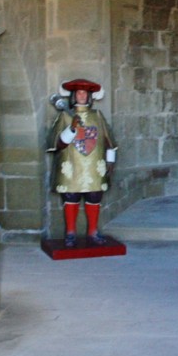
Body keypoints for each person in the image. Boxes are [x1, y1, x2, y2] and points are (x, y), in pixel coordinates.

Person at [49, 78, 117, 245]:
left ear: (89, 96)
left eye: (84, 92)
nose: (81, 95)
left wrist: (110, 162)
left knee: (94, 196)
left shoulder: (98, 116)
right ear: (73, 95)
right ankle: (70, 233)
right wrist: (71, 128)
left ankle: (93, 232)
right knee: (71, 195)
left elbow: (109, 141)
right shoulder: (65, 116)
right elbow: (56, 144)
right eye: (78, 92)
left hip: (94, 166)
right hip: (71, 165)